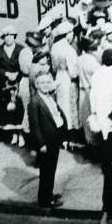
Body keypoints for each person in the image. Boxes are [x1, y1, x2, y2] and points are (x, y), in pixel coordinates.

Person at [27, 71, 65, 210]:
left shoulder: (49, 97)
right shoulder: (34, 102)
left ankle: (49, 193)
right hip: (46, 143)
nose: (45, 85)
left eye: (48, 82)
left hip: (54, 140)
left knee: (51, 169)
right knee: (46, 171)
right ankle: (45, 199)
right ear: (36, 85)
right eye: (42, 82)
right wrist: (40, 143)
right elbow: (35, 126)